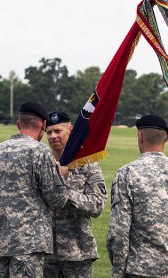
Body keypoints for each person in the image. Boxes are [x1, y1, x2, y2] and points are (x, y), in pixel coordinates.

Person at [106, 114, 168, 278]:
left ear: (140, 136)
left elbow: (119, 230)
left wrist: (118, 270)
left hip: (139, 270)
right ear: (165, 139)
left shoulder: (127, 173)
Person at [0, 101, 68, 278]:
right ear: (43, 125)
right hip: (29, 246)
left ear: (19, 123)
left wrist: (7, 214)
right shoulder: (41, 152)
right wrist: (62, 176)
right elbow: (57, 199)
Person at [44, 111, 107, 278]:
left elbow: (97, 205)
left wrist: (63, 189)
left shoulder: (87, 163)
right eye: (49, 132)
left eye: (58, 131)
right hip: (44, 253)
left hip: (78, 253)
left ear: (70, 130)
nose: (53, 136)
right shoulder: (42, 164)